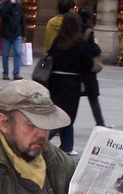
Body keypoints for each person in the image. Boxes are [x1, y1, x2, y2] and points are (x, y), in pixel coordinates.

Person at [46, 12, 93, 155]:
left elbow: (50, 57)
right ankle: (42, 137)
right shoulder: (80, 43)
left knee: (61, 113)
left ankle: (67, 145)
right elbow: (88, 64)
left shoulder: (57, 41)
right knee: (66, 116)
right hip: (71, 84)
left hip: (55, 81)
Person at [79, 7, 107, 127]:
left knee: (70, 100)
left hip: (75, 69)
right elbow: (94, 50)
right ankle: (100, 122)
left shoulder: (73, 30)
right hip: (88, 70)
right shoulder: (89, 32)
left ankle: (62, 125)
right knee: (93, 98)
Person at [0, 0, 25, 80]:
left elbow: (22, 20)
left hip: (17, 33)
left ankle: (16, 73)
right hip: (6, 34)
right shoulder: (3, 5)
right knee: (5, 54)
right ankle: (5, 73)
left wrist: (24, 34)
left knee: (17, 52)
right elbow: (4, 15)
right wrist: (10, 4)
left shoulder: (19, 6)